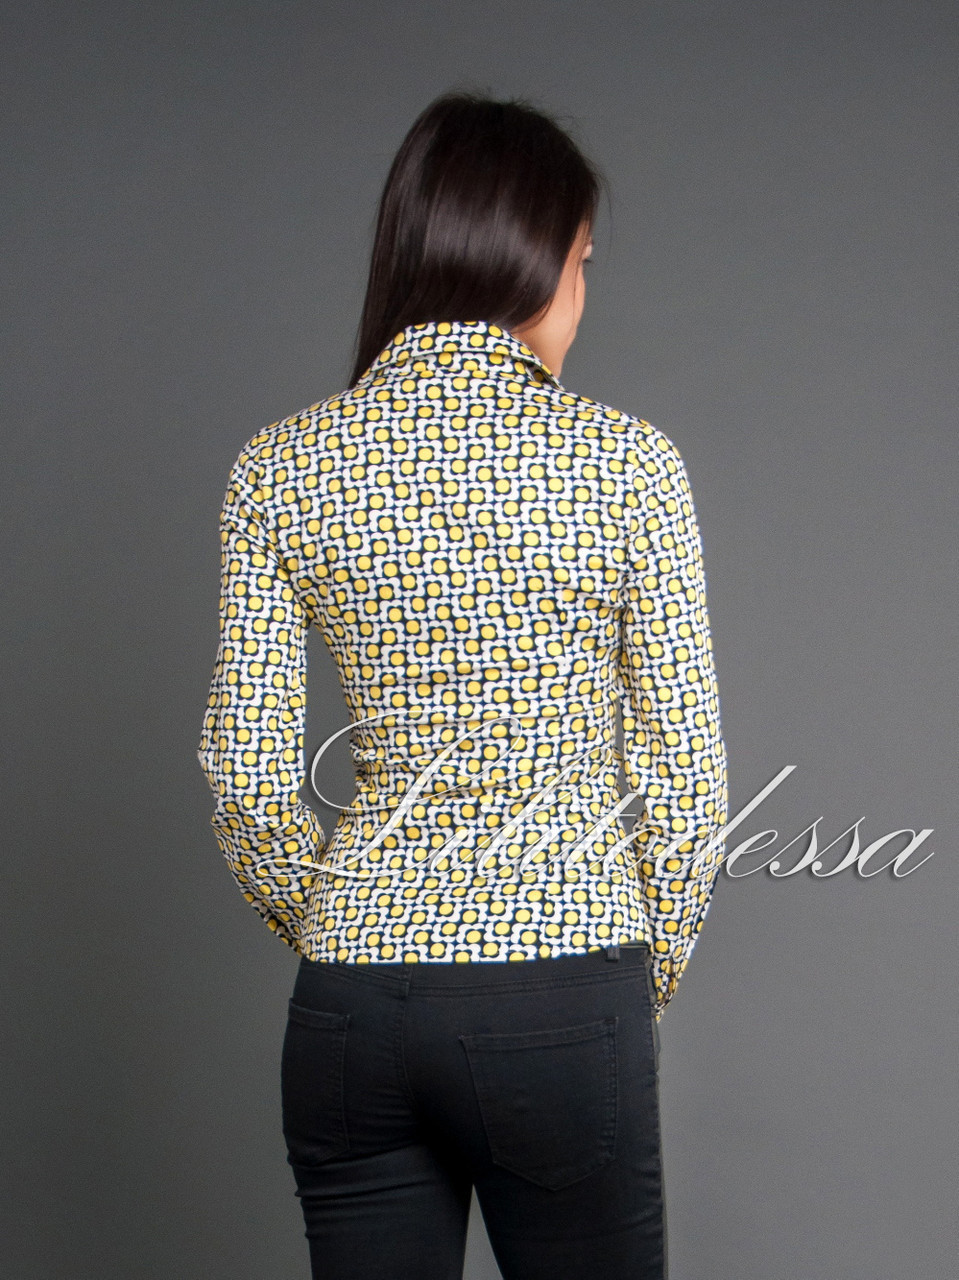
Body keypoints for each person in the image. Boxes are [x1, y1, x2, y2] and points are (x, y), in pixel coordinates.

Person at [197, 90, 728, 1280]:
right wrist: (627, 974)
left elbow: (246, 778)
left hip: (352, 1007)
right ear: (533, 261)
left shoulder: (280, 468)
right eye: (580, 264)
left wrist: (344, 926)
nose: (580, 297)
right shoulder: (626, 465)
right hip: (563, 981)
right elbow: (685, 779)